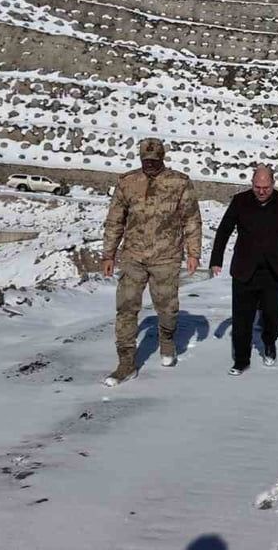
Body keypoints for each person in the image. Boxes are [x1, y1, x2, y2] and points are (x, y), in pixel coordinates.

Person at [100, 137, 202, 387]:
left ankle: (167, 340)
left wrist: (193, 253)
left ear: (163, 158)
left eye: (154, 161)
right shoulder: (127, 182)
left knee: (167, 309)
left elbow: (191, 219)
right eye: (146, 161)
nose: (150, 166)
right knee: (126, 307)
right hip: (133, 256)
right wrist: (108, 254)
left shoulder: (179, 182)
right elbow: (115, 221)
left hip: (166, 257)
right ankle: (126, 362)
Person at [210, 165, 278, 375]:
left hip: (274, 270)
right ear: (252, 184)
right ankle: (241, 359)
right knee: (242, 319)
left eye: (266, 187)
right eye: (257, 187)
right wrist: (216, 259)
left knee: (274, 314)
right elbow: (224, 230)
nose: (261, 191)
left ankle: (269, 342)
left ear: (273, 184)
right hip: (245, 268)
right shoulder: (240, 201)